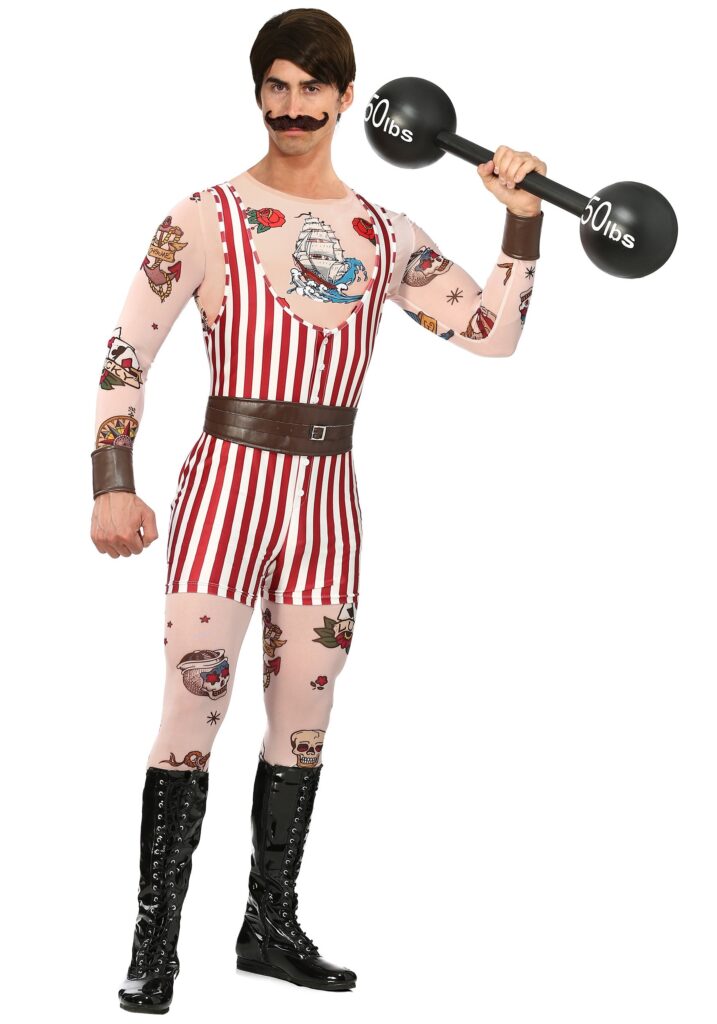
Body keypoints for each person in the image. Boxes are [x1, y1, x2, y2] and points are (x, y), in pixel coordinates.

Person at [90, 8, 547, 1014]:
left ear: (346, 99)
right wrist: (112, 478)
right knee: (191, 710)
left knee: (305, 716)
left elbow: (491, 331)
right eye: (277, 86)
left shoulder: (383, 232)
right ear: (257, 91)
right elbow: (127, 352)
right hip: (225, 492)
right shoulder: (203, 215)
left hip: (327, 503)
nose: (292, 107)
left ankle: (269, 925)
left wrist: (521, 217)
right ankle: (153, 943)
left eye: (312, 89)